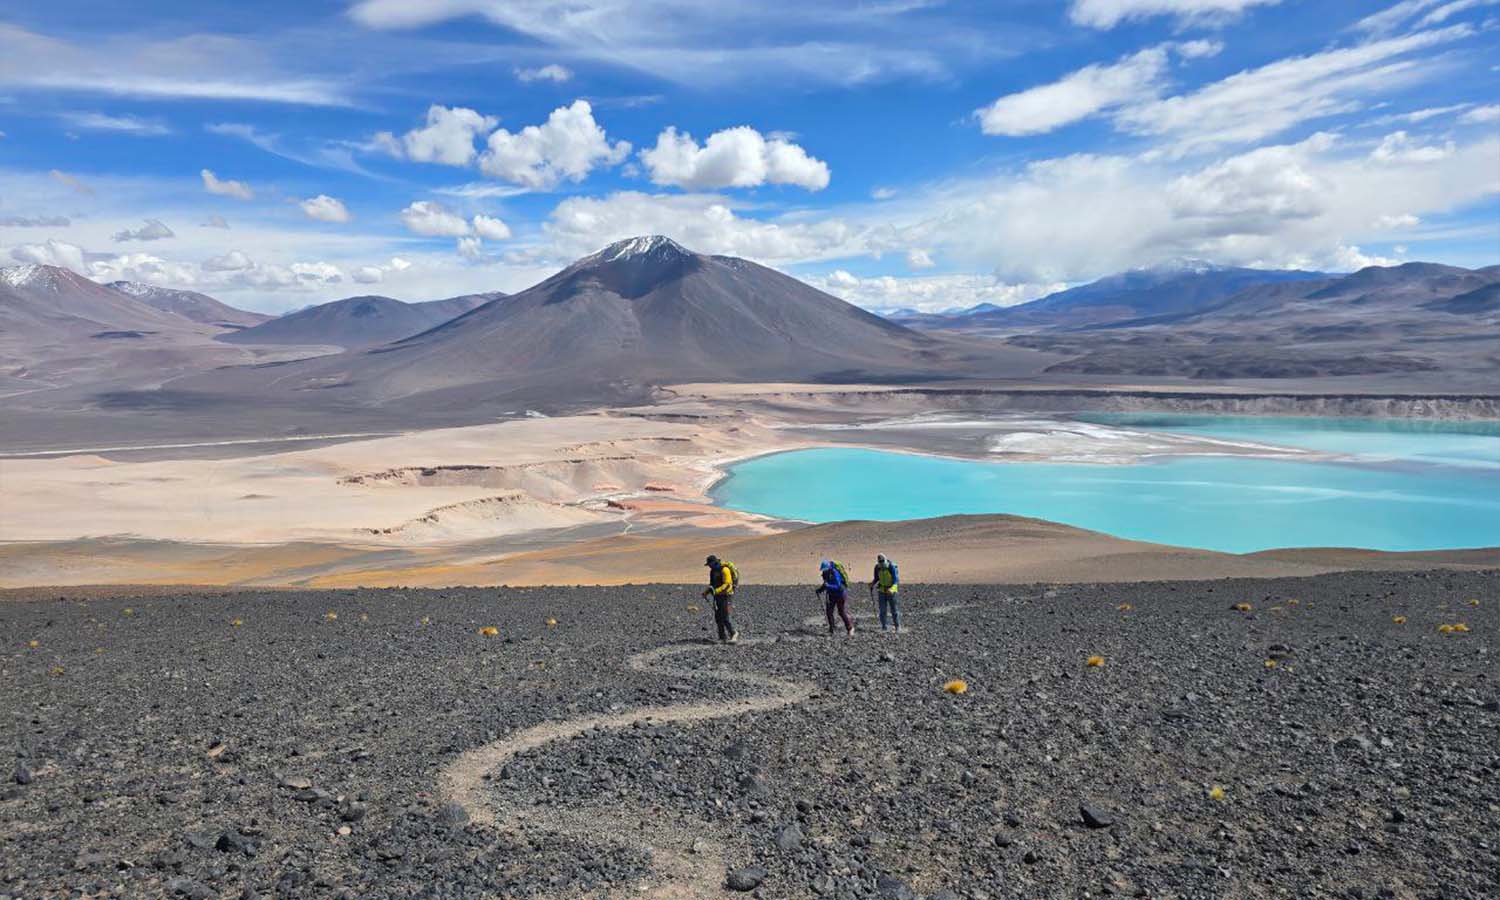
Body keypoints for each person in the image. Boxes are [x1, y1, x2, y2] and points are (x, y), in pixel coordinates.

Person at [702, 555, 739, 644]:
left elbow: (727, 584)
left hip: (726, 595)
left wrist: (716, 591)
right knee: (718, 617)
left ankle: (733, 633)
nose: (709, 566)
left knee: (724, 616)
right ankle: (722, 637)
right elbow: (712, 584)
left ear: (715, 562)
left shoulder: (725, 570)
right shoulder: (712, 571)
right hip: (717, 596)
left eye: (710, 564)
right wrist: (706, 592)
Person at [815, 559, 854, 637]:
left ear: (829, 567)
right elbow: (825, 583)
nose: (824, 571)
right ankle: (832, 630)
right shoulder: (825, 573)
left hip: (840, 594)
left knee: (841, 612)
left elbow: (838, 586)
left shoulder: (835, 572)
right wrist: (820, 590)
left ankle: (850, 628)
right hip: (831, 595)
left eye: (825, 569)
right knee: (829, 612)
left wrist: (828, 586)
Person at [869, 553, 900, 632]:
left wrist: (892, 589)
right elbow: (876, 578)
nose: (881, 562)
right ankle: (884, 626)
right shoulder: (877, 568)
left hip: (891, 590)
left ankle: (897, 626)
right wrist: (872, 584)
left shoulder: (891, 567)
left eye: (882, 561)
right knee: (882, 610)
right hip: (882, 590)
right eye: (880, 561)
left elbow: (895, 581)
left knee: (894, 609)